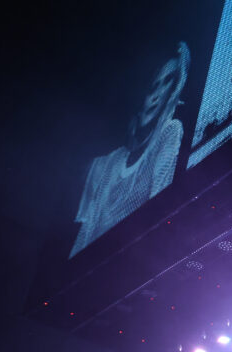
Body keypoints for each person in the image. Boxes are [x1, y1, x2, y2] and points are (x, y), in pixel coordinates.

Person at [71, 43, 190, 258]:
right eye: (152, 86)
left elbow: (160, 206)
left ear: (173, 90)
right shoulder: (108, 164)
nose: (155, 96)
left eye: (166, 84)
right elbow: (85, 235)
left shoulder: (170, 132)